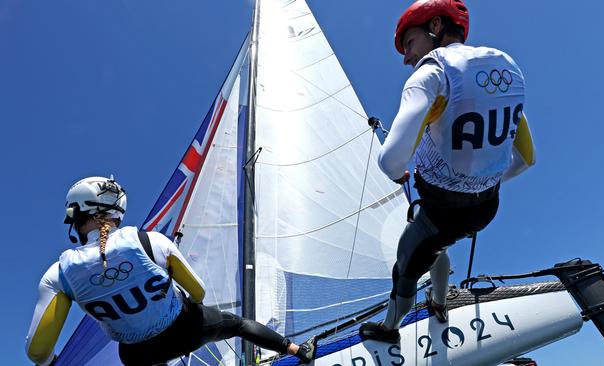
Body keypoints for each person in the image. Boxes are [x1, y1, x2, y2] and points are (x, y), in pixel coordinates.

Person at [360, 0, 535, 343]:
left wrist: (399, 176)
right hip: (486, 208)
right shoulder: (505, 71)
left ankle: (389, 329)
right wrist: (482, 181)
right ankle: (440, 302)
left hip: (443, 210)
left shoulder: (430, 74)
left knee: (407, 261)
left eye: (409, 44)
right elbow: (527, 159)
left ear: (436, 26)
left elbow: (390, 160)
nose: (406, 58)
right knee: (438, 242)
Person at [26, 176, 315, 365]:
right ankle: (297, 350)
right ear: (117, 213)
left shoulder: (59, 273)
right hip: (187, 329)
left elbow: (37, 351)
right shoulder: (150, 240)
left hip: (137, 354)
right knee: (237, 325)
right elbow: (198, 292)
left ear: (75, 215)